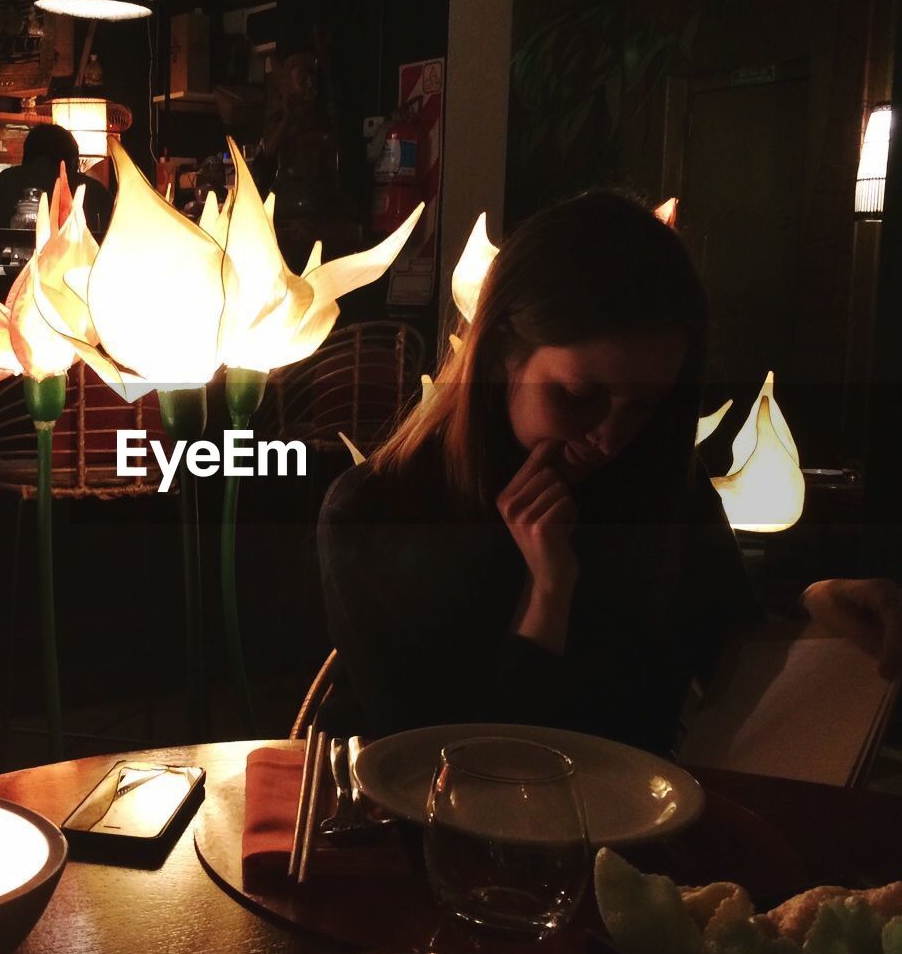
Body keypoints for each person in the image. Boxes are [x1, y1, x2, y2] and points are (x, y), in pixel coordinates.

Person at [318, 191, 902, 752]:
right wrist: (549, 592)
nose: (610, 437)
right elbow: (442, 768)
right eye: (579, 395)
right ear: (499, 355)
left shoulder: (663, 483)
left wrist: (818, 615)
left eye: (645, 405)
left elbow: (731, 661)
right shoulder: (380, 511)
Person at [0, 124, 113, 233]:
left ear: (27, 155)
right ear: (72, 159)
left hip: (12, 267)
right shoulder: (93, 190)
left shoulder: (8, 180)